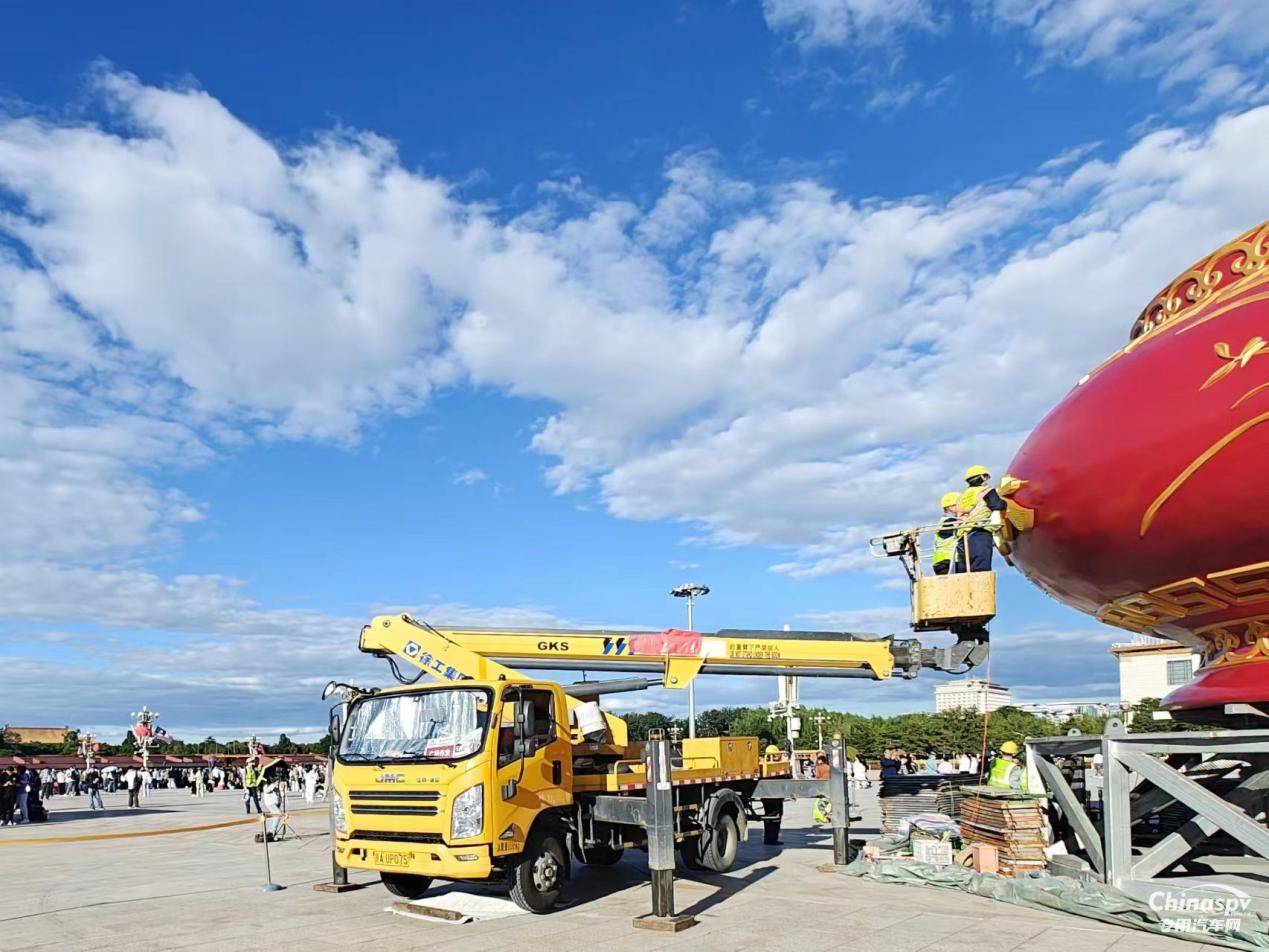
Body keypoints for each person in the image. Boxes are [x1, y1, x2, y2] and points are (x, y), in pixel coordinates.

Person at [954, 466, 1007, 573]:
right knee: (980, 568)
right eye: (986, 477)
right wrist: (1005, 501)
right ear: (982, 477)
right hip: (979, 532)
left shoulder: (962, 496)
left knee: (965, 570)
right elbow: (997, 505)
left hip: (962, 536)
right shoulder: (986, 490)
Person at [933, 492, 960, 575]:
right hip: (947, 562)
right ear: (951, 507)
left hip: (942, 562)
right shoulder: (949, 521)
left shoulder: (943, 521)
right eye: (959, 504)